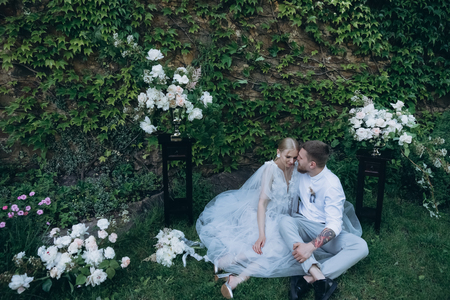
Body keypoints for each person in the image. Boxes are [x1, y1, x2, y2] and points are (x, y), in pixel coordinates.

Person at [196, 138, 306, 299]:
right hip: (264, 216)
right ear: (278, 152)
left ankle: (229, 270)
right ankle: (231, 268)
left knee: (278, 250)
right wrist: (261, 234)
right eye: (287, 157)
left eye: (295, 157)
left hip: (285, 219)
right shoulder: (270, 169)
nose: (291, 161)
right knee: (272, 248)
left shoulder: (296, 167)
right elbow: (262, 203)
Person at [279, 140, 369, 300]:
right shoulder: (300, 170)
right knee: (285, 222)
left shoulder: (332, 185)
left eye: (300, 157)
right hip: (303, 224)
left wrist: (311, 247)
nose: (295, 159)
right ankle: (320, 278)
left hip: (323, 230)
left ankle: (308, 278)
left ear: (312, 164)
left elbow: (334, 224)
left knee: (361, 246)